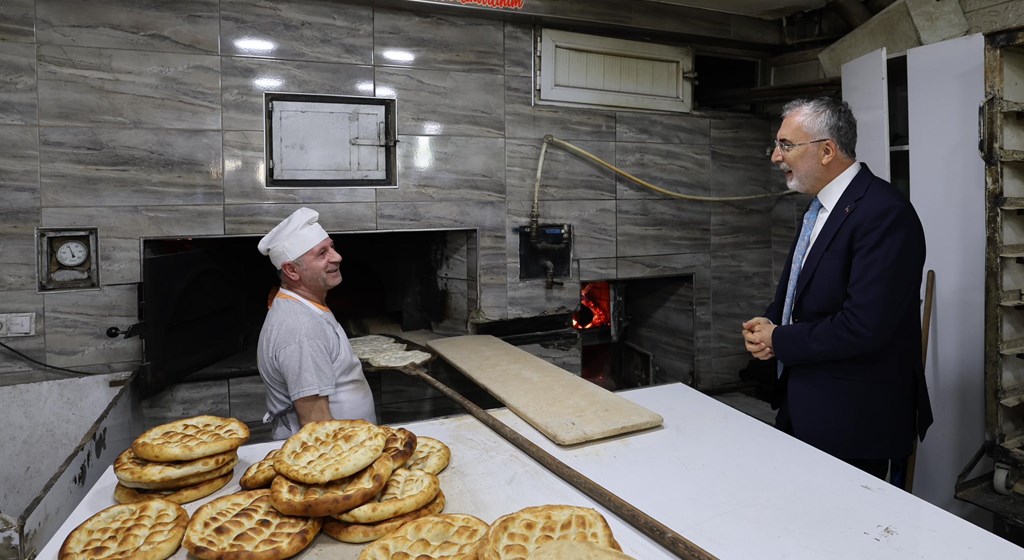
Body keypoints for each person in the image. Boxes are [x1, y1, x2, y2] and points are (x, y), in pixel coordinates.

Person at [741, 97, 932, 482]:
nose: (776, 157)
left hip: (854, 424)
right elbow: (802, 289)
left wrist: (781, 339)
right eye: (777, 145)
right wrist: (770, 321)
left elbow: (864, 326)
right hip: (805, 406)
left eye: (786, 145)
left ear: (827, 150)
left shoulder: (884, 213)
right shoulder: (820, 208)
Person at [256, 207, 376, 440]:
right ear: (291, 270)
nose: (337, 256)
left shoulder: (306, 307)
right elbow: (316, 424)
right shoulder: (301, 329)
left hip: (351, 446)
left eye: (332, 246)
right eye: (322, 253)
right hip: (335, 454)